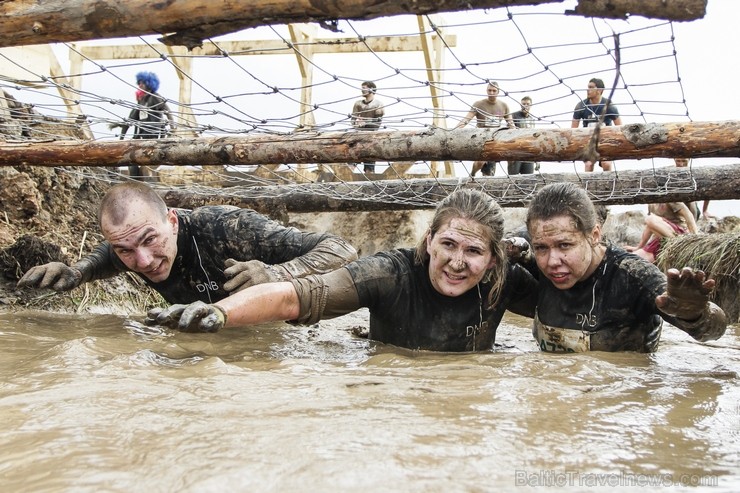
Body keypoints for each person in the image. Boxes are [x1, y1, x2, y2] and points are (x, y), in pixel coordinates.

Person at [144, 189, 540, 352]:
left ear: (492, 259)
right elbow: (298, 295)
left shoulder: (504, 281)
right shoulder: (389, 275)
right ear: (428, 241)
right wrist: (221, 312)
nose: (457, 262)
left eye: (473, 251)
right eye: (448, 245)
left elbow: (571, 301)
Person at [17, 182, 358, 305]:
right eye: (126, 250)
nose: (145, 261)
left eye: (151, 240)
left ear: (173, 221)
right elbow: (106, 258)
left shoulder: (227, 227)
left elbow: (342, 248)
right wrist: (77, 273)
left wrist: (276, 273)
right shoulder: (127, 248)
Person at [523, 182, 725, 353]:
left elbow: (715, 332)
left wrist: (695, 313)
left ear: (594, 236)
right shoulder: (533, 264)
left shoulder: (633, 276)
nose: (552, 261)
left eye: (564, 245)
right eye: (541, 248)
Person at [111, 71, 176, 179]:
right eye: (139, 83)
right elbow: (131, 120)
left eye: (142, 83)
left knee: (148, 164)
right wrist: (121, 137)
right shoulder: (141, 102)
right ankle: (135, 180)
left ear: (149, 83)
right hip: (141, 137)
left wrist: (173, 128)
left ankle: (144, 181)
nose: (140, 85)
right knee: (131, 161)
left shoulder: (155, 97)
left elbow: (167, 110)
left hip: (154, 136)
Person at [455, 81, 514, 177]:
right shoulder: (478, 104)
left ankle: (484, 181)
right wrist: (454, 130)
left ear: (498, 92)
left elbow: (511, 123)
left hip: (494, 139)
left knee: (489, 172)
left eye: (494, 91)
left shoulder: (504, 106)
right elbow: (466, 119)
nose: (491, 93)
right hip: (480, 138)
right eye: (489, 90)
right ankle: (472, 174)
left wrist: (515, 134)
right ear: (486, 91)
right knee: (480, 162)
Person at [571, 78, 622, 172]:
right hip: (588, 142)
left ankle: (608, 184)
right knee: (588, 165)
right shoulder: (581, 106)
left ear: (599, 90)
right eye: (588, 87)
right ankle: (587, 185)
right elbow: (573, 130)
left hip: (605, 140)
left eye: (591, 87)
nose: (588, 90)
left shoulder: (609, 105)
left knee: (606, 164)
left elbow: (620, 127)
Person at [625, 199, 698, 264]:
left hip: (678, 234)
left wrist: (695, 239)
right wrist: (639, 247)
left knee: (650, 219)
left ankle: (677, 245)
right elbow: (650, 226)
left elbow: (689, 215)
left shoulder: (670, 197)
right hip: (662, 240)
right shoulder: (651, 201)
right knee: (631, 259)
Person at [350, 81, 385, 174]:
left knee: (369, 168)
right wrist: (356, 123)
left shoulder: (378, 104)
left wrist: (365, 122)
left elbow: (377, 123)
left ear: (371, 89)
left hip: (371, 138)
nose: (362, 90)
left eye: (364, 88)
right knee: (350, 164)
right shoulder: (358, 104)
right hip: (357, 138)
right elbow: (353, 120)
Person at [508, 96, 537, 175]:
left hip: (528, 153)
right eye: (523, 104)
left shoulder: (532, 119)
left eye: (527, 104)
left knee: (528, 179)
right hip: (515, 152)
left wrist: (536, 159)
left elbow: (534, 138)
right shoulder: (513, 116)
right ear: (520, 105)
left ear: (531, 105)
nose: (525, 106)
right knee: (513, 178)